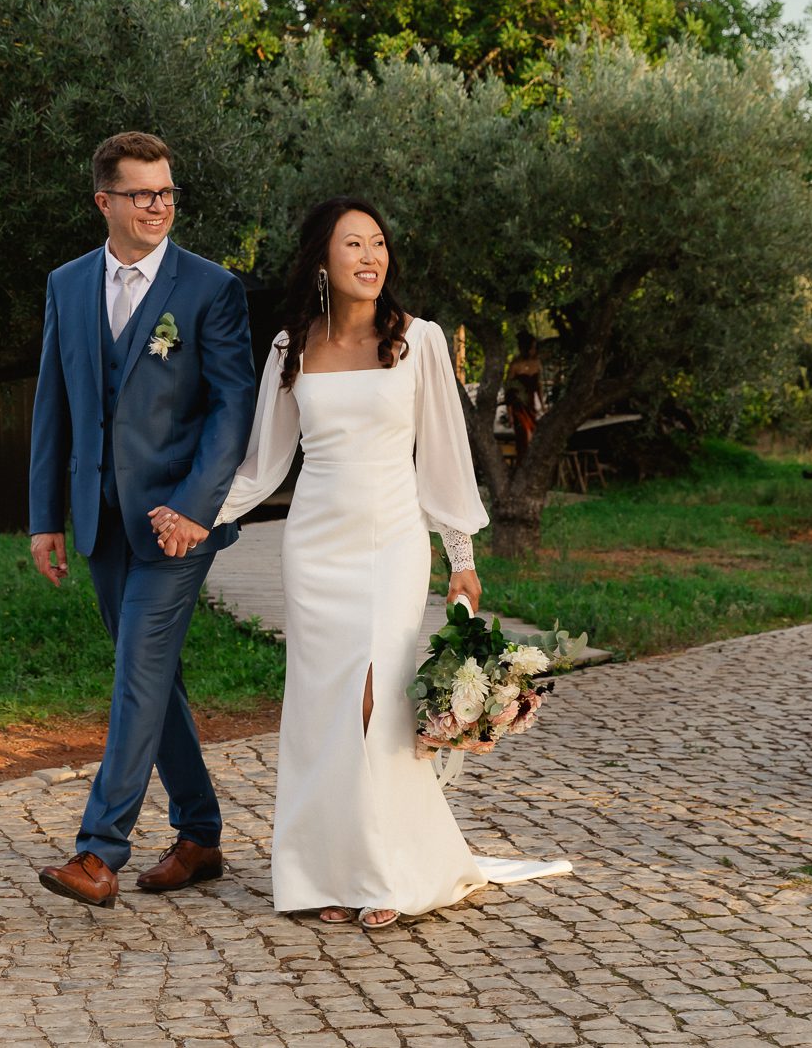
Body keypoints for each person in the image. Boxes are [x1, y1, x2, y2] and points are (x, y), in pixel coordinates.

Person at [154, 198, 571, 930]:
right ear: (323, 259)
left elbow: (443, 454)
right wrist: (199, 515)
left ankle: (387, 873)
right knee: (320, 709)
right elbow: (264, 464)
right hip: (314, 546)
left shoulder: (420, 341)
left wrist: (461, 558)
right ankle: (326, 874)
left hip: (390, 544)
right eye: (354, 244)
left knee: (377, 700)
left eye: (378, 243)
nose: (371, 256)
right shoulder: (290, 348)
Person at [29, 131, 256, 909]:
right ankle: (199, 835)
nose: (158, 206)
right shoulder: (66, 284)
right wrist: (44, 517)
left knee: (136, 673)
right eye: (141, 194)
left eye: (167, 193)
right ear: (105, 201)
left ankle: (99, 853)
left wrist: (197, 511)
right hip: (98, 518)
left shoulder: (209, 288)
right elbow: (53, 405)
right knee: (155, 680)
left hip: (175, 524)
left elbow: (233, 410)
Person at [504, 330, 545, 462]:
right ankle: (522, 462)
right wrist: (510, 414)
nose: (534, 350)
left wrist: (543, 406)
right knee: (524, 436)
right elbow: (509, 391)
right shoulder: (515, 365)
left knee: (533, 434)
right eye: (532, 347)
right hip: (518, 406)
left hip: (531, 404)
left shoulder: (537, 363)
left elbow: (538, 386)